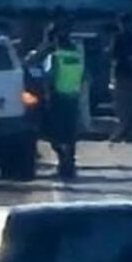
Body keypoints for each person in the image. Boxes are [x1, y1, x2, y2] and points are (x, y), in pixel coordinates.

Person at [37, 18, 86, 177]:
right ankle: (69, 162)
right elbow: (85, 76)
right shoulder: (77, 55)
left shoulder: (54, 56)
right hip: (73, 97)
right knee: (70, 133)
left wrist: (47, 94)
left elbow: (48, 76)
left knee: (53, 133)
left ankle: (63, 158)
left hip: (57, 98)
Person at [111, 15, 132, 142]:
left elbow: (114, 58)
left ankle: (128, 131)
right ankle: (131, 132)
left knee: (124, 106)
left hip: (125, 75)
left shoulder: (119, 38)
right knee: (130, 106)